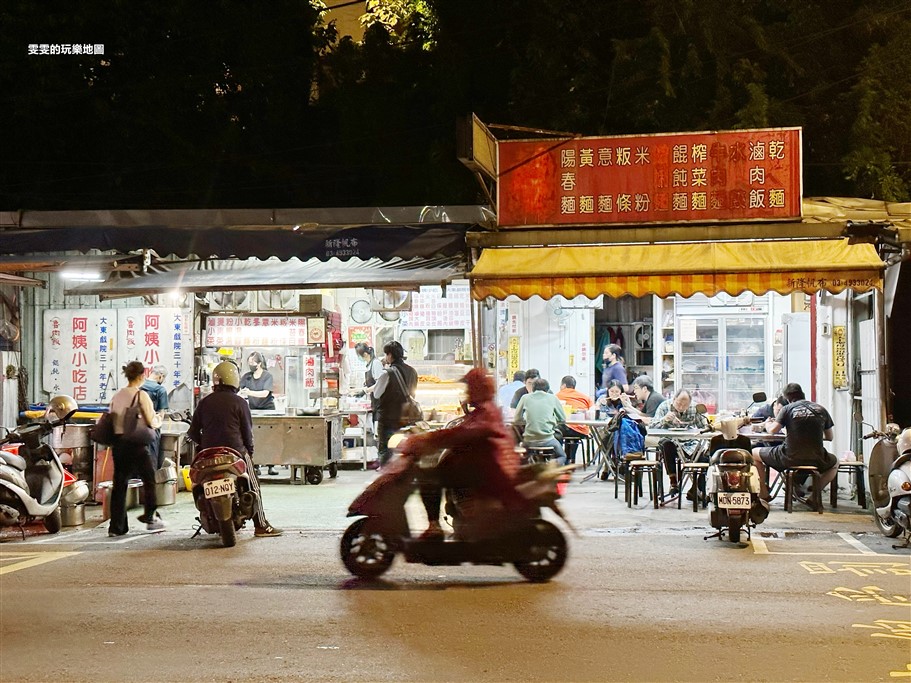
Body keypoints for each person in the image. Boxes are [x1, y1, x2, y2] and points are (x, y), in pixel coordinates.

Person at [401, 368, 525, 540]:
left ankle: (434, 526)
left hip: (486, 469)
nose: (467, 391)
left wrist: (426, 439)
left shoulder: (486, 412)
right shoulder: (483, 409)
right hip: (481, 465)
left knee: (429, 478)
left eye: (469, 387)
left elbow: (460, 434)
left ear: (478, 388)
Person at [188, 361, 282, 537]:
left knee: (197, 483)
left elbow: (192, 433)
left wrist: (204, 445)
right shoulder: (240, 402)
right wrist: (249, 454)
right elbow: (247, 433)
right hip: (235, 452)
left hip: (207, 455)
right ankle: (261, 525)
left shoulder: (204, 402)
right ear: (234, 380)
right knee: (253, 485)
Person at [751, 382, 838, 504]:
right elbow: (830, 437)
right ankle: (814, 497)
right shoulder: (821, 409)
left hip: (788, 457)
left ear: (787, 398)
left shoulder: (787, 409)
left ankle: (764, 493)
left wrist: (767, 424)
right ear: (802, 394)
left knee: (753, 453)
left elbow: (772, 431)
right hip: (817, 458)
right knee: (835, 463)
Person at [107, 361, 165, 536]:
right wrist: (159, 419)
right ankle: (150, 517)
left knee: (119, 485)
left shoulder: (117, 396)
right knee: (149, 480)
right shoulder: (141, 396)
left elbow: (112, 419)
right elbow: (150, 420)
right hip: (137, 445)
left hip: (119, 445)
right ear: (141, 376)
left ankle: (116, 527)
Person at [651, 388, 710, 497]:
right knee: (665, 444)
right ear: (674, 399)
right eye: (679, 404)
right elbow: (652, 426)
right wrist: (665, 419)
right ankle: (673, 482)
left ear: (690, 403)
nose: (681, 407)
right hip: (671, 442)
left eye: (685, 405)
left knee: (706, 458)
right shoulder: (664, 406)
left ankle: (695, 489)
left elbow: (705, 426)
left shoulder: (694, 408)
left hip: (690, 443)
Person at [371, 340, 418, 468]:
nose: (385, 358)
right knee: (405, 452)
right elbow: (413, 393)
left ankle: (386, 478)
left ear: (390, 355)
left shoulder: (387, 373)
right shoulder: (413, 371)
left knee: (386, 452)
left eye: (386, 354)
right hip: (407, 419)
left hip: (388, 420)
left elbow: (376, 394)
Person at [239, 352, 277, 475]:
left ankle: (271, 465)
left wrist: (249, 392)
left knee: (270, 439)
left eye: (252, 363)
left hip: (267, 410)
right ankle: (256, 465)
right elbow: (239, 391)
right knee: (254, 439)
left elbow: (265, 393)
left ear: (259, 364)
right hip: (252, 411)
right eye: (249, 363)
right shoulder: (246, 377)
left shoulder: (267, 376)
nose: (250, 365)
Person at [514, 377, 567, 465]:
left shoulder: (525, 397)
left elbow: (516, 418)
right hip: (548, 439)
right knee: (562, 456)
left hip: (529, 440)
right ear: (547, 390)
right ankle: (549, 465)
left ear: (533, 389)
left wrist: (525, 420)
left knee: (522, 455)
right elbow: (562, 419)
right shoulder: (553, 398)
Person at [556, 375, 593, 464]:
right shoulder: (585, 397)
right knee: (572, 433)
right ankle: (571, 459)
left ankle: (561, 459)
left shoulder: (557, 396)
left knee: (557, 431)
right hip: (582, 431)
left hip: (564, 430)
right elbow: (592, 412)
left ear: (563, 385)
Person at [140, 364, 169, 469]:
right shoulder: (160, 390)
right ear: (161, 376)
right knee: (150, 461)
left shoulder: (138, 386)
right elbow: (161, 415)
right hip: (151, 430)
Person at [354, 342, 384, 422]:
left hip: (380, 401)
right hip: (374, 400)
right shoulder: (369, 365)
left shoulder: (376, 363)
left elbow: (380, 384)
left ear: (365, 354)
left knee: (378, 426)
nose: (358, 357)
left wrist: (365, 391)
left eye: (358, 355)